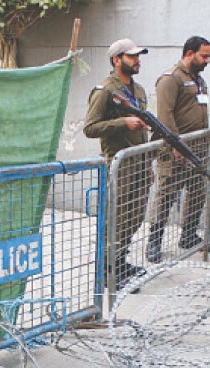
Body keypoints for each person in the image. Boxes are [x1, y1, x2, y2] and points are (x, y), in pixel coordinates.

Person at [84, 38, 151, 290]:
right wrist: (123, 122)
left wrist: (149, 163)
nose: (137, 60)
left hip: (140, 163)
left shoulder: (139, 90)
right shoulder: (105, 91)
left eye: (138, 56)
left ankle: (120, 262)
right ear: (116, 60)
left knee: (135, 216)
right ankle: (107, 270)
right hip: (119, 164)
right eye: (132, 56)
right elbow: (90, 128)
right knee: (117, 218)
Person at [146, 35, 210, 264]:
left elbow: (202, 116)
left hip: (198, 149)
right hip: (176, 150)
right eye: (204, 56)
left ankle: (188, 236)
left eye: (209, 56)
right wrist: (177, 146)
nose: (208, 61)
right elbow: (165, 116)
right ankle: (154, 242)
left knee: (197, 193)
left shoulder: (199, 80)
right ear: (189, 53)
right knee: (166, 194)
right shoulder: (171, 79)